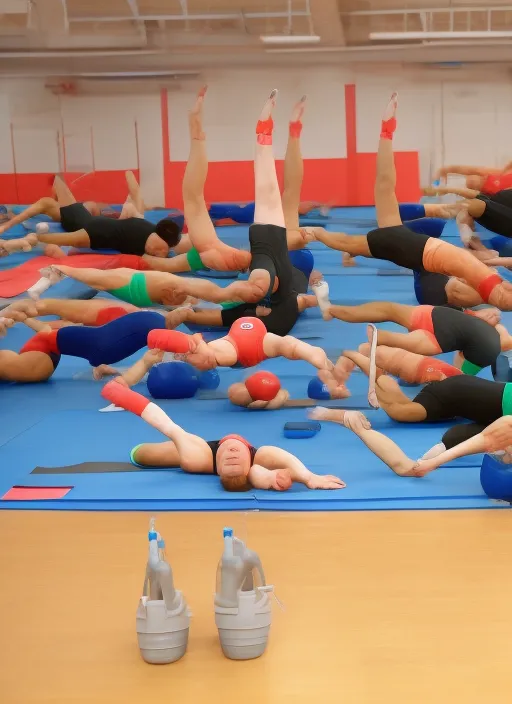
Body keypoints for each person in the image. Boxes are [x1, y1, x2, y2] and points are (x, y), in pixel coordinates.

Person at [301, 93, 512, 311]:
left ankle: (386, 133)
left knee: (381, 193)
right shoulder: (484, 285)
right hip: (403, 245)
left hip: (406, 245)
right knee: (379, 196)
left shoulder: (482, 282)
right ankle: (386, 133)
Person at [101, 379, 345, 491]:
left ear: (218, 468)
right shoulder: (259, 458)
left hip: (204, 455)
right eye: (236, 459)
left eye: (228, 461)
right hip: (252, 468)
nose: (231, 453)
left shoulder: (197, 460)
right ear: (248, 462)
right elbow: (288, 461)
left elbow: (167, 425)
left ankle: (270, 480)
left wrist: (121, 395)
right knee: (261, 473)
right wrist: (309, 477)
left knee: (142, 455)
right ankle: (270, 480)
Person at [146, 316, 348, 397]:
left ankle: (327, 366)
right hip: (244, 334)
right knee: (289, 346)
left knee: (292, 347)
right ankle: (328, 366)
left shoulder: (195, 347)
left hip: (245, 341)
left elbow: (197, 349)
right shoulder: (193, 350)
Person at [314, 291, 502, 375]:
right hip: (439, 338)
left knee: (388, 310)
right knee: (403, 344)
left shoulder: (480, 326)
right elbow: (460, 378)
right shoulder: (486, 351)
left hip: (435, 314)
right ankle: (383, 339)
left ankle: (331, 309)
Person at [0, 172, 182, 258]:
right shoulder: (147, 228)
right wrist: (130, 180)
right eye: (159, 248)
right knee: (51, 235)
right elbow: (135, 193)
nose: (156, 251)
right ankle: (16, 239)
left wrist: (131, 180)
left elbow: (135, 193)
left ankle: (55, 184)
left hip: (93, 223)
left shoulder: (149, 230)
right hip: (95, 229)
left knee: (49, 204)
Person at [307, 409, 512, 479]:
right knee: (413, 468)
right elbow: (487, 438)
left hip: (476, 428)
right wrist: (435, 462)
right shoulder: (504, 430)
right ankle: (354, 424)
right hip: (463, 433)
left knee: (411, 468)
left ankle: (353, 423)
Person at [0, 305, 172, 383]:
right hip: (43, 354)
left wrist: (25, 319)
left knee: (99, 343)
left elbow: (45, 331)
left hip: (44, 351)